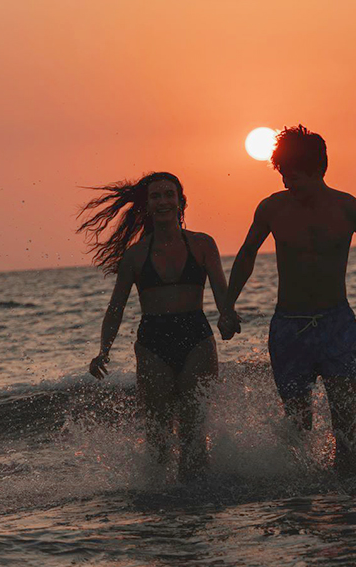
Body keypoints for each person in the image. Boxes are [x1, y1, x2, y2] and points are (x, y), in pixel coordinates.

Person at [218, 125, 356, 476]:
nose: (286, 185)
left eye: (294, 177)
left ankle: (349, 490)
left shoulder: (351, 208)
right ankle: (300, 492)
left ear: (318, 170)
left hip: (336, 324)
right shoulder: (271, 209)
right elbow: (247, 255)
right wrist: (228, 307)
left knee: (344, 420)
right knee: (298, 421)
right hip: (289, 327)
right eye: (282, 177)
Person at [78, 172, 238, 480]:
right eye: (155, 196)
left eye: (169, 194)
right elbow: (116, 307)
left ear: (180, 202)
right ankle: (161, 508)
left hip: (197, 338)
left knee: (193, 431)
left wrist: (227, 316)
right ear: (147, 205)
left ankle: (197, 501)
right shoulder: (136, 255)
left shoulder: (203, 244)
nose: (163, 201)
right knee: (158, 436)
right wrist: (103, 351)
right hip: (153, 342)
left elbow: (221, 291)